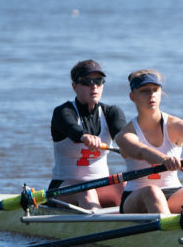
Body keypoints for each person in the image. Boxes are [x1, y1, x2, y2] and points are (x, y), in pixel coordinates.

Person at [114, 69, 183, 214]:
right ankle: (171, 233)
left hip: (173, 194)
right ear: (132, 97)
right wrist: (164, 159)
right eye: (144, 91)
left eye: (155, 90)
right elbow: (141, 151)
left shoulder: (175, 125)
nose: (151, 95)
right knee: (153, 192)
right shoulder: (125, 135)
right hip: (136, 198)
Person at [49, 59, 127, 209]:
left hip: (101, 185)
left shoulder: (112, 113)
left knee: (125, 186)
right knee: (87, 192)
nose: (94, 86)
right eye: (86, 81)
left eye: (98, 80)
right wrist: (84, 136)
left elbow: (124, 138)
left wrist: (151, 153)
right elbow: (71, 128)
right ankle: (101, 228)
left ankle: (134, 225)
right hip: (63, 187)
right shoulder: (63, 112)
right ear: (74, 86)